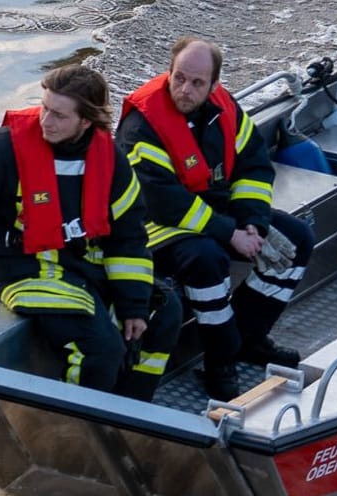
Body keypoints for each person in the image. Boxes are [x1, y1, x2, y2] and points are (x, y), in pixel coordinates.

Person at [0, 66, 180, 400]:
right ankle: (76, 433)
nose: (45, 121)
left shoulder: (111, 161)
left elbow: (128, 239)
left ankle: (133, 409)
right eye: (44, 108)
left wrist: (134, 307)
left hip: (82, 265)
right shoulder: (4, 150)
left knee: (164, 311)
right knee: (101, 349)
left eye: (58, 115)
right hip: (24, 269)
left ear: (86, 122)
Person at [117, 36, 314, 402]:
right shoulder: (142, 126)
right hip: (154, 228)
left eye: (196, 83)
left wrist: (253, 222)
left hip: (214, 211)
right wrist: (230, 233)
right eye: (178, 78)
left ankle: (248, 337)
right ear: (169, 71)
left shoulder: (225, 110)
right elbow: (162, 202)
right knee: (207, 260)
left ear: (214, 85)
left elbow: (253, 165)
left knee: (298, 239)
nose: (184, 89)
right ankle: (219, 362)